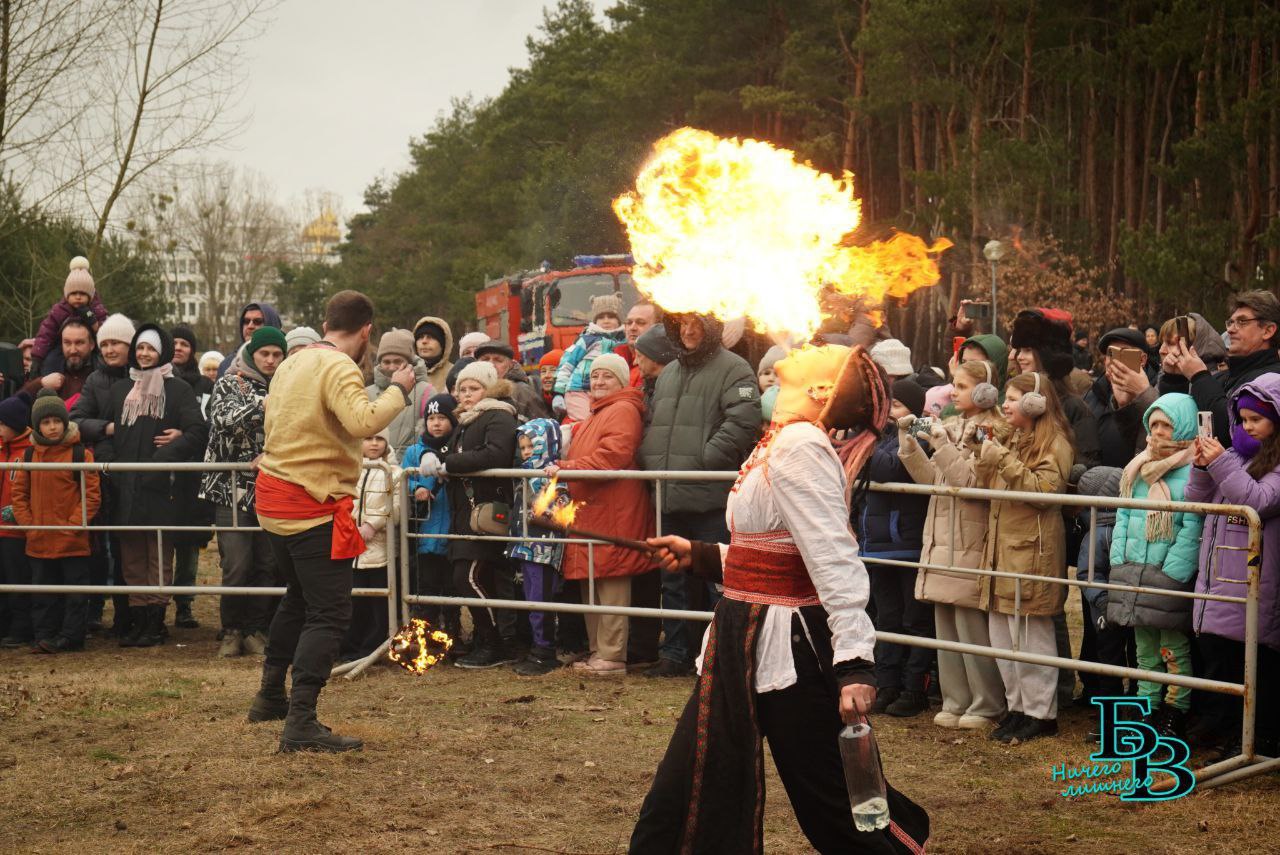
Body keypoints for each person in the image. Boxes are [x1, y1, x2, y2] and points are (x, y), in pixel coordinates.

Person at [630, 344, 929, 853]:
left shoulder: (800, 446)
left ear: (821, 390)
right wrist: (702, 555)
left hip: (783, 647)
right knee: (689, 779)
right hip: (740, 633)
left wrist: (855, 662)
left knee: (834, 805)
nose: (809, 345)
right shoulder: (786, 440)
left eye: (824, 351)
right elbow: (775, 551)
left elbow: (833, 556)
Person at [247, 290, 414, 754]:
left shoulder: (293, 361)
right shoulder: (338, 365)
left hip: (275, 500)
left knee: (298, 600)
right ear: (366, 331)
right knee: (329, 613)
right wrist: (401, 387)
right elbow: (364, 422)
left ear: (326, 322)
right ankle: (300, 720)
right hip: (310, 504)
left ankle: (268, 698)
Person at [640, 312, 760, 677]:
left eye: (696, 324)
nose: (689, 331)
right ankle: (675, 652)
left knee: (718, 580)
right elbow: (654, 421)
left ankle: (721, 656)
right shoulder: (670, 372)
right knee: (672, 578)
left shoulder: (736, 369)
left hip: (710, 495)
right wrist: (650, 459)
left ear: (712, 328)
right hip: (669, 490)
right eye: (682, 324)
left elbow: (743, 421)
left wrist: (704, 460)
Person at [898, 359, 1008, 730]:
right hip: (941, 535)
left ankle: (986, 703)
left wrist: (942, 445)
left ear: (983, 391)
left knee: (969, 623)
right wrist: (910, 444)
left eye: (960, 387)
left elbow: (971, 483)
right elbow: (932, 479)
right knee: (945, 621)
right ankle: (955, 698)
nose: (952, 394)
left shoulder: (989, 429)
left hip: (971, 535)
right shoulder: (950, 425)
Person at [1185, 375, 1280, 758]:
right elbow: (1196, 497)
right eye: (1241, 419)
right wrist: (1200, 466)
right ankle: (1225, 732)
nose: (1246, 426)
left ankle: (1263, 737)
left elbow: (1256, 499)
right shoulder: (1236, 457)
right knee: (1220, 660)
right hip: (1219, 577)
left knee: (1259, 667)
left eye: (1255, 419)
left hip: (1258, 579)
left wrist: (1221, 460)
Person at [976, 372, 1074, 744]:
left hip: (1033, 553)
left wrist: (1002, 458)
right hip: (1003, 551)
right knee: (1003, 636)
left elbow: (1043, 492)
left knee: (1031, 636)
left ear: (1036, 404)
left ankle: (1041, 713)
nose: (1005, 404)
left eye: (1015, 398)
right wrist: (983, 451)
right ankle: (1017, 708)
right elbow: (985, 482)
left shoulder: (1056, 444)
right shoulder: (1012, 440)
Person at [546, 354, 654, 676]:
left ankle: (611, 656)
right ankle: (598, 653)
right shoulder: (599, 412)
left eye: (607, 376)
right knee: (592, 583)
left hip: (614, 511)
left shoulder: (622, 410)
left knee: (611, 584)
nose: (599, 382)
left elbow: (612, 457)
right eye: (595, 376)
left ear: (622, 381)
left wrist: (564, 469)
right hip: (593, 511)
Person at [1107, 393, 1203, 740]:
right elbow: (1123, 515)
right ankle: (1146, 708)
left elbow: (1191, 529)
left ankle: (1175, 710)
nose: (1159, 432)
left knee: (1173, 648)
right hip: (1135, 568)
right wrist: (1119, 559)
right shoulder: (1139, 467)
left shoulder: (1194, 471)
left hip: (1167, 575)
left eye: (1168, 424)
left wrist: (1173, 572)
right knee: (1145, 650)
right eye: (1155, 424)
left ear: (1185, 426)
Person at [108, 325, 208, 648]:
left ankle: (156, 621)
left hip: (161, 486)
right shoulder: (121, 389)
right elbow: (105, 432)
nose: (144, 354)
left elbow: (197, 432)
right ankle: (138, 619)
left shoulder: (177, 390)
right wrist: (114, 466)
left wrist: (165, 454)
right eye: (140, 348)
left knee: (158, 553)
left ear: (161, 351)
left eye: (150, 349)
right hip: (126, 487)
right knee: (131, 556)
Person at [420, 361, 520, 669]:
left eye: (473, 388)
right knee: (477, 577)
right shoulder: (466, 420)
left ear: (488, 388)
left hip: (487, 510)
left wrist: (448, 464)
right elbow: (450, 453)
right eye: (461, 389)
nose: (465, 394)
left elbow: (496, 454)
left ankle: (495, 643)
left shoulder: (499, 416)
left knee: (467, 577)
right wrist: (431, 454)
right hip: (466, 511)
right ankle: (490, 640)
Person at [200, 327, 286, 658]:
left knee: (267, 562)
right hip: (230, 489)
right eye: (265, 353)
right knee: (236, 563)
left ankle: (255, 629)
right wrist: (263, 405)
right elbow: (222, 420)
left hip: (272, 487)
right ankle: (231, 630)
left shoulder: (287, 386)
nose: (270, 360)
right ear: (252, 354)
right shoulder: (229, 382)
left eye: (277, 355)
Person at [858, 379, 934, 717]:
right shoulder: (883, 437)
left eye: (898, 406)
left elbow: (888, 468)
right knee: (886, 618)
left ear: (913, 410)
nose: (890, 412)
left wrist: (866, 437)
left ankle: (913, 687)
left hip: (906, 543)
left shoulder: (918, 437)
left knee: (914, 619)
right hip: (877, 544)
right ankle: (887, 684)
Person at [12, 390, 101, 653]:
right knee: (43, 593)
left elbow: (91, 495)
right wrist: (29, 525)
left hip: (72, 539)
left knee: (75, 593)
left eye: (56, 421)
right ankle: (44, 635)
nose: (52, 427)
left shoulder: (80, 455)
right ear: (37, 425)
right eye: (45, 422)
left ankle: (71, 637)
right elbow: (20, 494)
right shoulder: (29, 456)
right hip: (38, 538)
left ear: (65, 422)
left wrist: (73, 526)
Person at [69, 312, 135, 634]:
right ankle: (94, 611)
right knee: (98, 546)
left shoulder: (145, 376)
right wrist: (107, 428)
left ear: (130, 345)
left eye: (117, 343)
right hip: (102, 472)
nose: (110, 349)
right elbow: (76, 419)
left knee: (129, 549)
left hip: (135, 473)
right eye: (105, 343)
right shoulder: (95, 380)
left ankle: (128, 615)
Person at [1166, 292, 1280, 447]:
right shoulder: (1222, 377)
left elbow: (1232, 432)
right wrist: (1174, 379)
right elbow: (1179, 423)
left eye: (1242, 322)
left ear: (1267, 331)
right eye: (1231, 322)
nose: (1231, 330)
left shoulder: (1274, 379)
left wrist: (1199, 376)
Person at [507, 418, 569, 676]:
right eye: (523, 448)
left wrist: (542, 510)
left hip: (543, 550)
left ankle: (545, 650)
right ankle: (536, 647)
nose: (526, 453)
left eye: (531, 447)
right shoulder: (525, 475)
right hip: (525, 547)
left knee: (540, 600)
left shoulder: (553, 478)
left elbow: (562, 512)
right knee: (530, 600)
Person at [402, 394, 459, 640]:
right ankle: (426, 638)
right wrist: (417, 488)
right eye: (431, 418)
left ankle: (453, 636)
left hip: (453, 532)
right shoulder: (414, 451)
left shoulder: (459, 449)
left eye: (442, 418)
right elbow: (401, 478)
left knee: (451, 590)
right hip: (425, 534)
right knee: (426, 587)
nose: (436, 423)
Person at [168, 323, 214, 630]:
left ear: (192, 350)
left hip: (194, 473)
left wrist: (184, 435)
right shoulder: (155, 382)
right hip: (162, 470)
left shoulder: (205, 387)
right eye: (173, 342)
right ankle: (153, 603)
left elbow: (209, 426)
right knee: (158, 540)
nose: (178, 348)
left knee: (188, 541)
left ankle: (184, 603)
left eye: (184, 343)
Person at [341, 430, 398, 662]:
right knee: (354, 602)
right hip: (349, 547)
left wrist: (373, 525)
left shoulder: (394, 473)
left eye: (380, 439)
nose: (374, 444)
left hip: (380, 548)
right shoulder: (348, 468)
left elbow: (397, 507)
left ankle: (372, 649)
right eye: (369, 438)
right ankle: (348, 648)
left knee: (379, 604)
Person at [28, 257, 108, 376]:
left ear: (90, 296)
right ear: (67, 295)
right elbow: (46, 333)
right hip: (62, 347)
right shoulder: (60, 310)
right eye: (74, 293)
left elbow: (108, 329)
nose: (78, 297)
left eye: (82, 294)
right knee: (50, 362)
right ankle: (49, 382)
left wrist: (95, 324)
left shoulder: (96, 309)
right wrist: (37, 357)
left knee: (101, 364)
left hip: (92, 348)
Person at [553, 294, 626, 421]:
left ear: (619, 320)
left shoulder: (624, 342)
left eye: (611, 317)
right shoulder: (586, 340)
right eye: (601, 317)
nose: (606, 320)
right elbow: (567, 364)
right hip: (579, 390)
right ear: (595, 321)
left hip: (607, 392)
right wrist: (558, 392)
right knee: (588, 422)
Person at [0, 393, 35, 649]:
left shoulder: (29, 451)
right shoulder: (2, 447)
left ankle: (21, 628)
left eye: (2, 424)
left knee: (17, 581)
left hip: (17, 530)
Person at [365, 329, 433, 458]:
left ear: (409, 362)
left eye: (397, 361)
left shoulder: (426, 391)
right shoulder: (366, 393)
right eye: (386, 362)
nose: (391, 367)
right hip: (373, 470)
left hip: (412, 468)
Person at [22, 318, 98, 404]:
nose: (73, 350)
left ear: (91, 345)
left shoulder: (101, 375)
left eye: (79, 343)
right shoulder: (48, 368)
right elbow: (17, 402)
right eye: (67, 343)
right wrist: (41, 383)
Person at [476, 340, 552, 422]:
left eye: (498, 360)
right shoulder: (467, 390)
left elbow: (543, 428)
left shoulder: (522, 392)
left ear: (510, 365)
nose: (491, 364)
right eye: (485, 359)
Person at [217, 302, 282, 377]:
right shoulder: (227, 364)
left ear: (272, 324)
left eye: (257, 322)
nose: (250, 326)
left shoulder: (288, 364)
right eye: (246, 321)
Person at [413, 316, 455, 393]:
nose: (424, 341)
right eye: (420, 337)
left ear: (443, 344)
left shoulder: (454, 373)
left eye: (430, 337)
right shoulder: (407, 373)